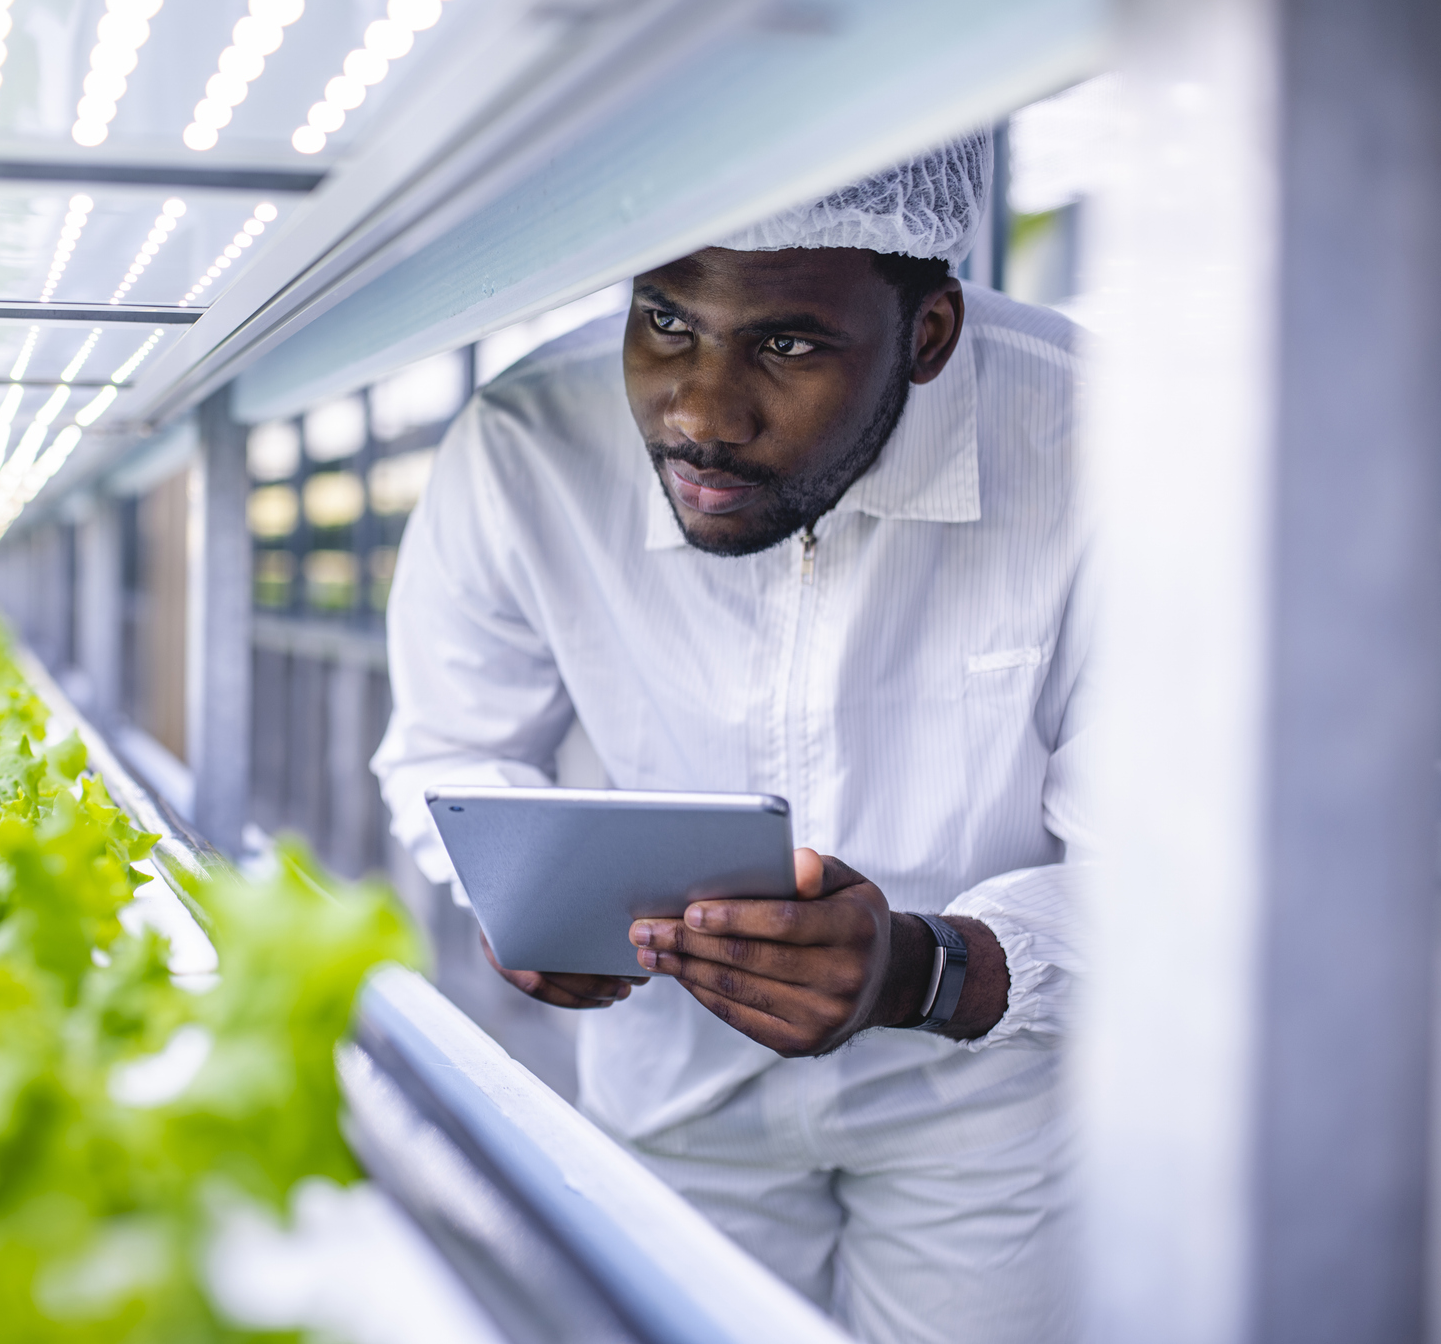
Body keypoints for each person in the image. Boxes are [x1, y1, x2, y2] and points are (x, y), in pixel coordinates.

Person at [370, 133, 1087, 1344]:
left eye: (788, 342)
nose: (698, 410)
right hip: (674, 1087)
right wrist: (523, 895)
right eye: (664, 318)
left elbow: (1181, 857)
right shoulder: (528, 444)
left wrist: (926, 967)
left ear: (929, 335)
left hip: (990, 1112)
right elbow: (445, 746)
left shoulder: (1105, 445)